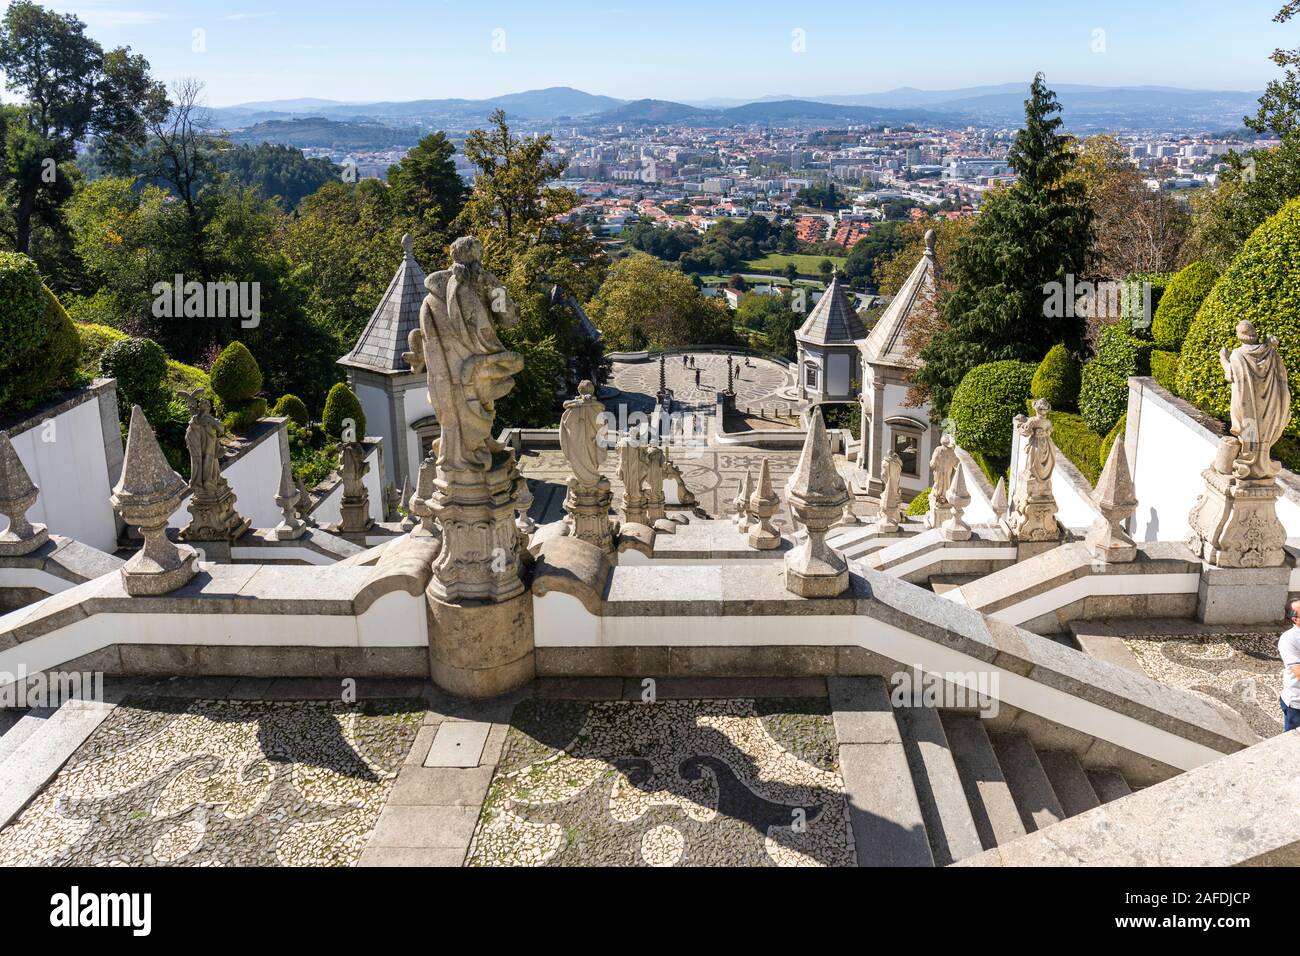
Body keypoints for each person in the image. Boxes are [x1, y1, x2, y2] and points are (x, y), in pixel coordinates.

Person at [1281, 600, 1300, 732]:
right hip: (1297, 705)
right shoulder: (1289, 639)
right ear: (1295, 619)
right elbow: (1298, 673)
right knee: (1293, 745)